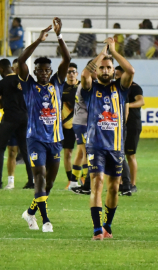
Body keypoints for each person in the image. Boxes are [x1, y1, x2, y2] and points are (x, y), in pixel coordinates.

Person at [80, 37, 135, 240]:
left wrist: (114, 50)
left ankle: (107, 226)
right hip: (95, 145)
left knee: (114, 187)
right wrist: (103, 52)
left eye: (108, 68)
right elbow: (85, 73)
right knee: (98, 182)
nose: (105, 70)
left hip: (116, 147)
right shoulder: (90, 88)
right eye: (102, 67)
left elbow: (131, 71)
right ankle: (96, 229)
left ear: (113, 71)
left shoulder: (120, 89)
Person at [19, 18, 70, 233]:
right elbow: (21, 61)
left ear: (50, 72)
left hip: (55, 140)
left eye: (46, 70)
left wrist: (59, 36)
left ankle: (30, 212)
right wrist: (39, 40)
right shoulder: (29, 85)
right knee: (38, 176)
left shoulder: (57, 83)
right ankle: (45, 220)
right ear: (35, 71)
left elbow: (67, 58)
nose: (43, 73)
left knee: (48, 184)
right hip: (35, 140)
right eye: (39, 70)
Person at [0, 58, 33, 190]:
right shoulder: (23, 81)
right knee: (25, 149)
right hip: (24, 118)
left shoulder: (2, 83)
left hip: (10, 118)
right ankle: (31, 181)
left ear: (1, 69)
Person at [115, 66, 144, 194]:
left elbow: (141, 101)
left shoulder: (134, 87)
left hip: (132, 124)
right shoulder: (117, 88)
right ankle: (120, 183)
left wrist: (126, 105)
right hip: (120, 125)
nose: (115, 77)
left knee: (130, 154)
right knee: (118, 154)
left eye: (117, 75)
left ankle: (132, 184)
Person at [70, 59, 95, 196]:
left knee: (80, 152)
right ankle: (86, 184)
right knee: (86, 153)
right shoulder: (87, 85)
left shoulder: (84, 84)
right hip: (83, 123)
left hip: (79, 122)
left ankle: (74, 181)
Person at [62, 63, 81, 190]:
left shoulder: (82, 85)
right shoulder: (61, 87)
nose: (71, 74)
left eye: (73, 71)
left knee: (82, 152)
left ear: (77, 73)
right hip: (66, 126)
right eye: (69, 72)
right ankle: (70, 180)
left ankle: (82, 177)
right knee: (68, 153)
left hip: (81, 124)